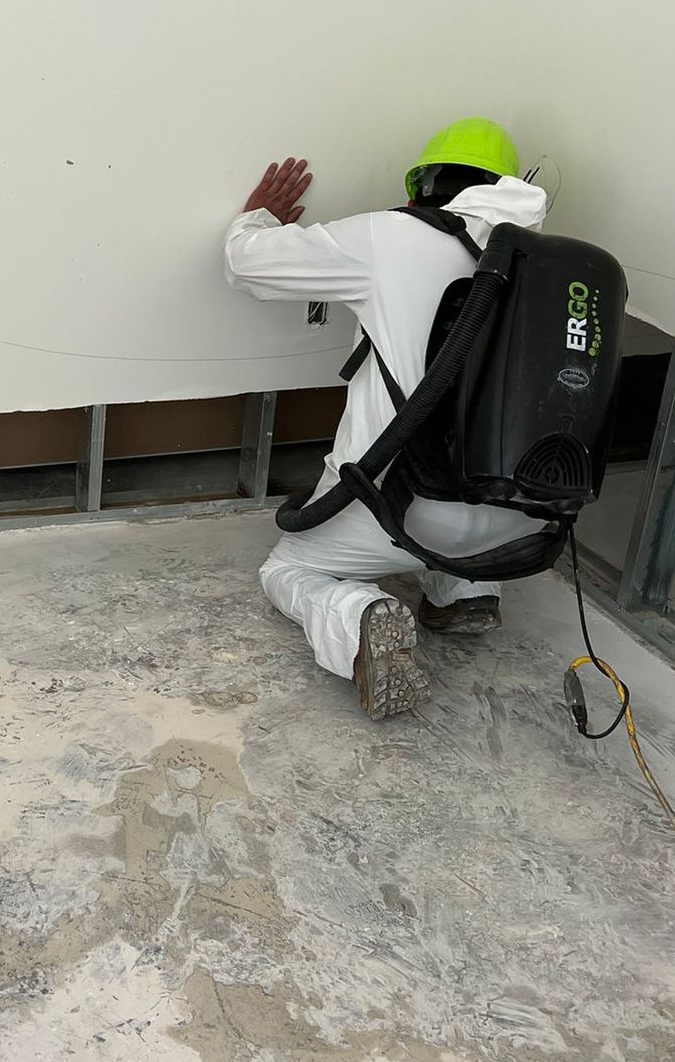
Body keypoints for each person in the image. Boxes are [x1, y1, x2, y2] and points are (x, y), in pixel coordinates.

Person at [223, 119, 549, 718]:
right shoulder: (549, 263)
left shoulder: (390, 236)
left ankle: (359, 620)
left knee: (289, 569)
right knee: (457, 493)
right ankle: (465, 590)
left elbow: (248, 266)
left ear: (417, 189)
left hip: (391, 507)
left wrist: (258, 220)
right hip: (518, 522)